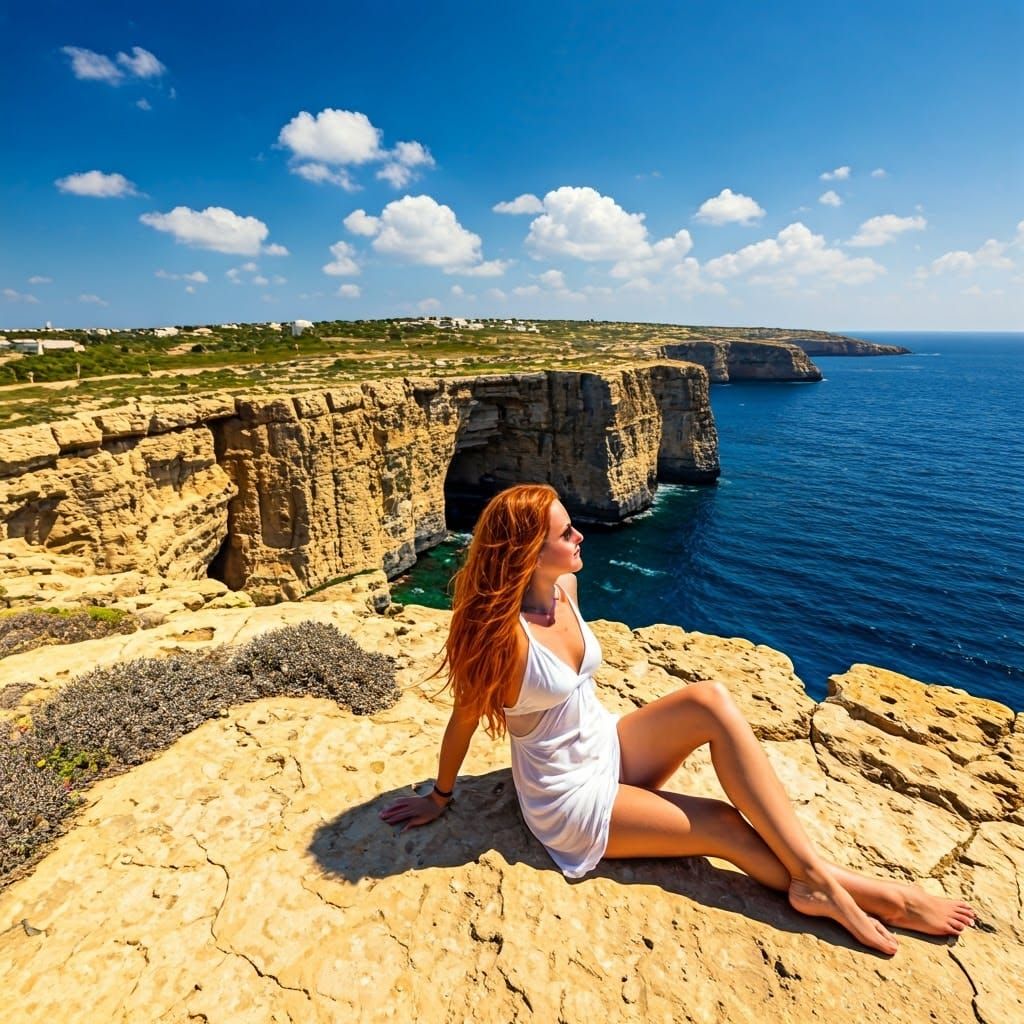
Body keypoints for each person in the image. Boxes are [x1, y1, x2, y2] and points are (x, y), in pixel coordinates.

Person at [380, 484, 975, 954]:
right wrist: (440, 796)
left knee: (709, 699)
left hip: (608, 747)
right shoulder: (502, 640)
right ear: (528, 554)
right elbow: (462, 722)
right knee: (723, 823)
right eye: (566, 533)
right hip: (569, 799)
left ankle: (815, 875)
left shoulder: (565, 591)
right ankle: (867, 894)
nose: (581, 534)